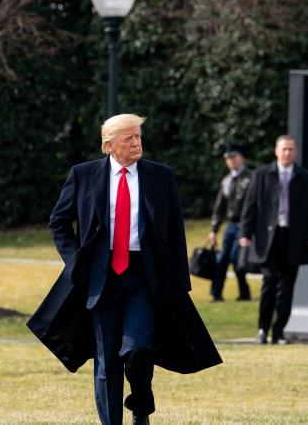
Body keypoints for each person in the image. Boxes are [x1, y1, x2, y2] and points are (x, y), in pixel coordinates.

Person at [27, 114, 221, 425]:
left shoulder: (160, 176)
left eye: (138, 136)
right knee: (106, 361)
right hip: (101, 278)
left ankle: (141, 405)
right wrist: (77, 262)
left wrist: (178, 282)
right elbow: (58, 222)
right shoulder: (83, 174)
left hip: (144, 277)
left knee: (139, 349)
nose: (136, 143)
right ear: (109, 145)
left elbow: (175, 230)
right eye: (128, 138)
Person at [239, 135, 308, 345]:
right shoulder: (261, 175)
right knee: (269, 283)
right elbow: (250, 206)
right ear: (276, 151)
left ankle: (279, 331)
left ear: (296, 152)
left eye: (291, 149)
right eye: (284, 149)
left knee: (287, 287)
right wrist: (245, 233)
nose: (287, 153)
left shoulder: (306, 178)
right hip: (269, 238)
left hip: (294, 238)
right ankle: (262, 329)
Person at [207, 143, 252, 302]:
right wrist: (214, 230)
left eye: (233, 156)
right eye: (227, 158)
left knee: (236, 258)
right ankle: (216, 294)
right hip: (231, 225)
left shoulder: (251, 178)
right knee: (222, 259)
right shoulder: (226, 181)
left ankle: (244, 293)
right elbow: (219, 207)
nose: (230, 160)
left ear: (242, 157)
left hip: (245, 225)